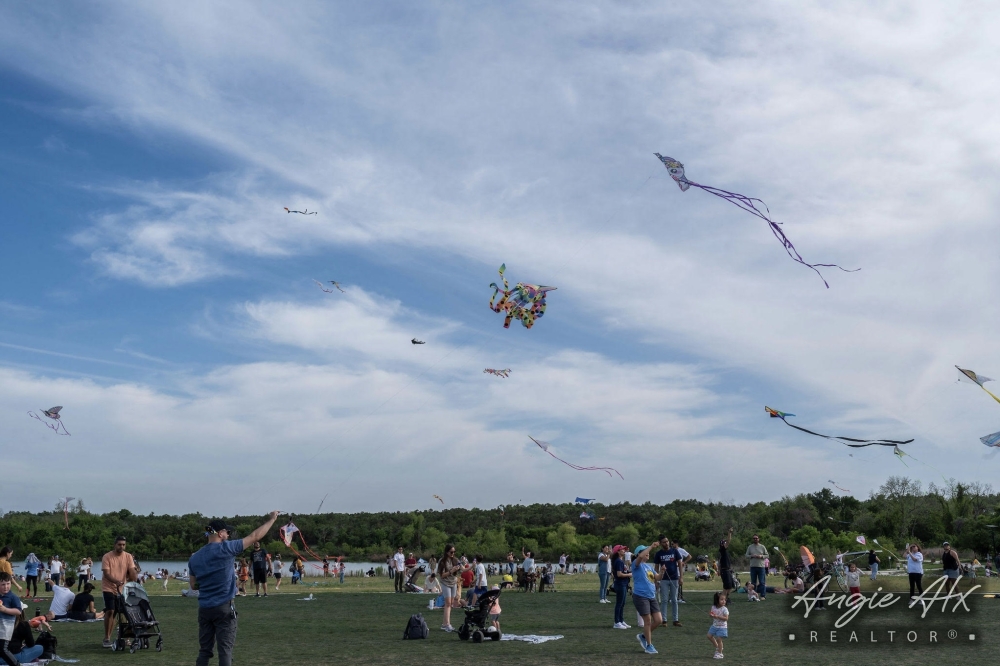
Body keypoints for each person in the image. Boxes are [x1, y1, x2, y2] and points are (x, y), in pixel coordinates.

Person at [189, 511, 279, 666]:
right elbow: (255, 536)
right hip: (224, 607)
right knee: (225, 651)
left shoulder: (194, 557)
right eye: (227, 532)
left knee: (204, 651)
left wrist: (207, 582)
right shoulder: (227, 548)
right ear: (220, 533)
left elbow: (193, 585)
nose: (229, 535)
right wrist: (272, 519)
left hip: (204, 609)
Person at [101, 536, 138, 648]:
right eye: (119, 544)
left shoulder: (128, 556)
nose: (121, 546)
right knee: (111, 611)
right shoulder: (107, 556)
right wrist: (116, 581)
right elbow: (106, 574)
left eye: (123, 545)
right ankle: (107, 638)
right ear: (115, 545)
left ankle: (125, 637)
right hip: (108, 587)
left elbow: (132, 572)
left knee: (123, 613)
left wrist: (134, 576)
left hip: (122, 589)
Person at [630, 544, 663, 654]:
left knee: (659, 620)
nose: (647, 553)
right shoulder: (636, 564)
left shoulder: (649, 567)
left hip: (651, 596)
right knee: (647, 621)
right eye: (643, 551)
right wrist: (651, 547)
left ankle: (643, 636)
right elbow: (639, 558)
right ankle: (649, 645)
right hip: (640, 596)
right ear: (639, 554)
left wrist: (662, 571)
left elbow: (657, 578)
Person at [652, 535, 683, 626]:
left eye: (667, 541)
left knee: (674, 599)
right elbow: (656, 567)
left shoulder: (674, 551)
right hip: (663, 579)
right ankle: (664, 620)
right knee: (664, 600)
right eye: (664, 542)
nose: (666, 543)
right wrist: (656, 580)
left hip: (674, 578)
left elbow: (680, 564)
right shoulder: (659, 554)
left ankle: (675, 620)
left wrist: (681, 577)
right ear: (661, 543)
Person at [436, 544, 462, 632]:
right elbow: (442, 575)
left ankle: (444, 624)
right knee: (447, 603)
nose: (453, 553)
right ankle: (447, 624)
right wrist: (452, 571)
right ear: (447, 552)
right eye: (451, 552)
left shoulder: (455, 560)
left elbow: (463, 569)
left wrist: (472, 566)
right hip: (445, 583)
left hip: (453, 582)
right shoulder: (442, 561)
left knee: (450, 603)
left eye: (454, 552)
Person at [0, 572, 23, 666]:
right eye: (3, 584)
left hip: (6, 628)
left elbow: (18, 611)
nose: (6, 587)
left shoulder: (13, 597)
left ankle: (16, 664)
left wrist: (5, 609)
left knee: (2, 649)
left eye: (8, 584)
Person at [611, 545, 631, 629]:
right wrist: (629, 574)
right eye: (622, 549)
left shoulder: (620, 561)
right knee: (619, 604)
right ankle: (617, 622)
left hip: (623, 584)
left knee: (622, 603)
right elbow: (619, 574)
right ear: (618, 552)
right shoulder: (618, 561)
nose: (624, 550)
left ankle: (621, 620)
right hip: (620, 584)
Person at [745, 535, 768, 600]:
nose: (755, 539)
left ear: (758, 539)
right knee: (753, 582)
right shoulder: (750, 547)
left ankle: (763, 595)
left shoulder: (762, 546)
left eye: (756, 538)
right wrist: (751, 556)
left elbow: (767, 555)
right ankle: (754, 595)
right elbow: (746, 555)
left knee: (762, 582)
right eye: (754, 538)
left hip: (761, 567)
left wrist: (761, 556)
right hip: (753, 567)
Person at [707, 591, 729, 660]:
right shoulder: (713, 607)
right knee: (709, 636)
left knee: (719, 639)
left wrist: (718, 617)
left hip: (722, 627)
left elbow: (726, 618)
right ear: (717, 600)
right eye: (721, 599)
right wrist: (711, 615)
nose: (724, 601)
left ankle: (720, 653)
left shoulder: (724, 609)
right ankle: (718, 647)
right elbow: (711, 614)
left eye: (724, 600)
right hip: (714, 626)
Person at [718, 527, 735, 594]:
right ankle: (722, 598)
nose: (726, 544)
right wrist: (729, 533)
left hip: (727, 570)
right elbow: (728, 541)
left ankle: (726, 599)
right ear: (722, 544)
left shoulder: (724, 552)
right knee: (726, 586)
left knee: (730, 586)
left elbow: (719, 562)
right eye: (724, 543)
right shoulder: (722, 550)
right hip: (724, 571)